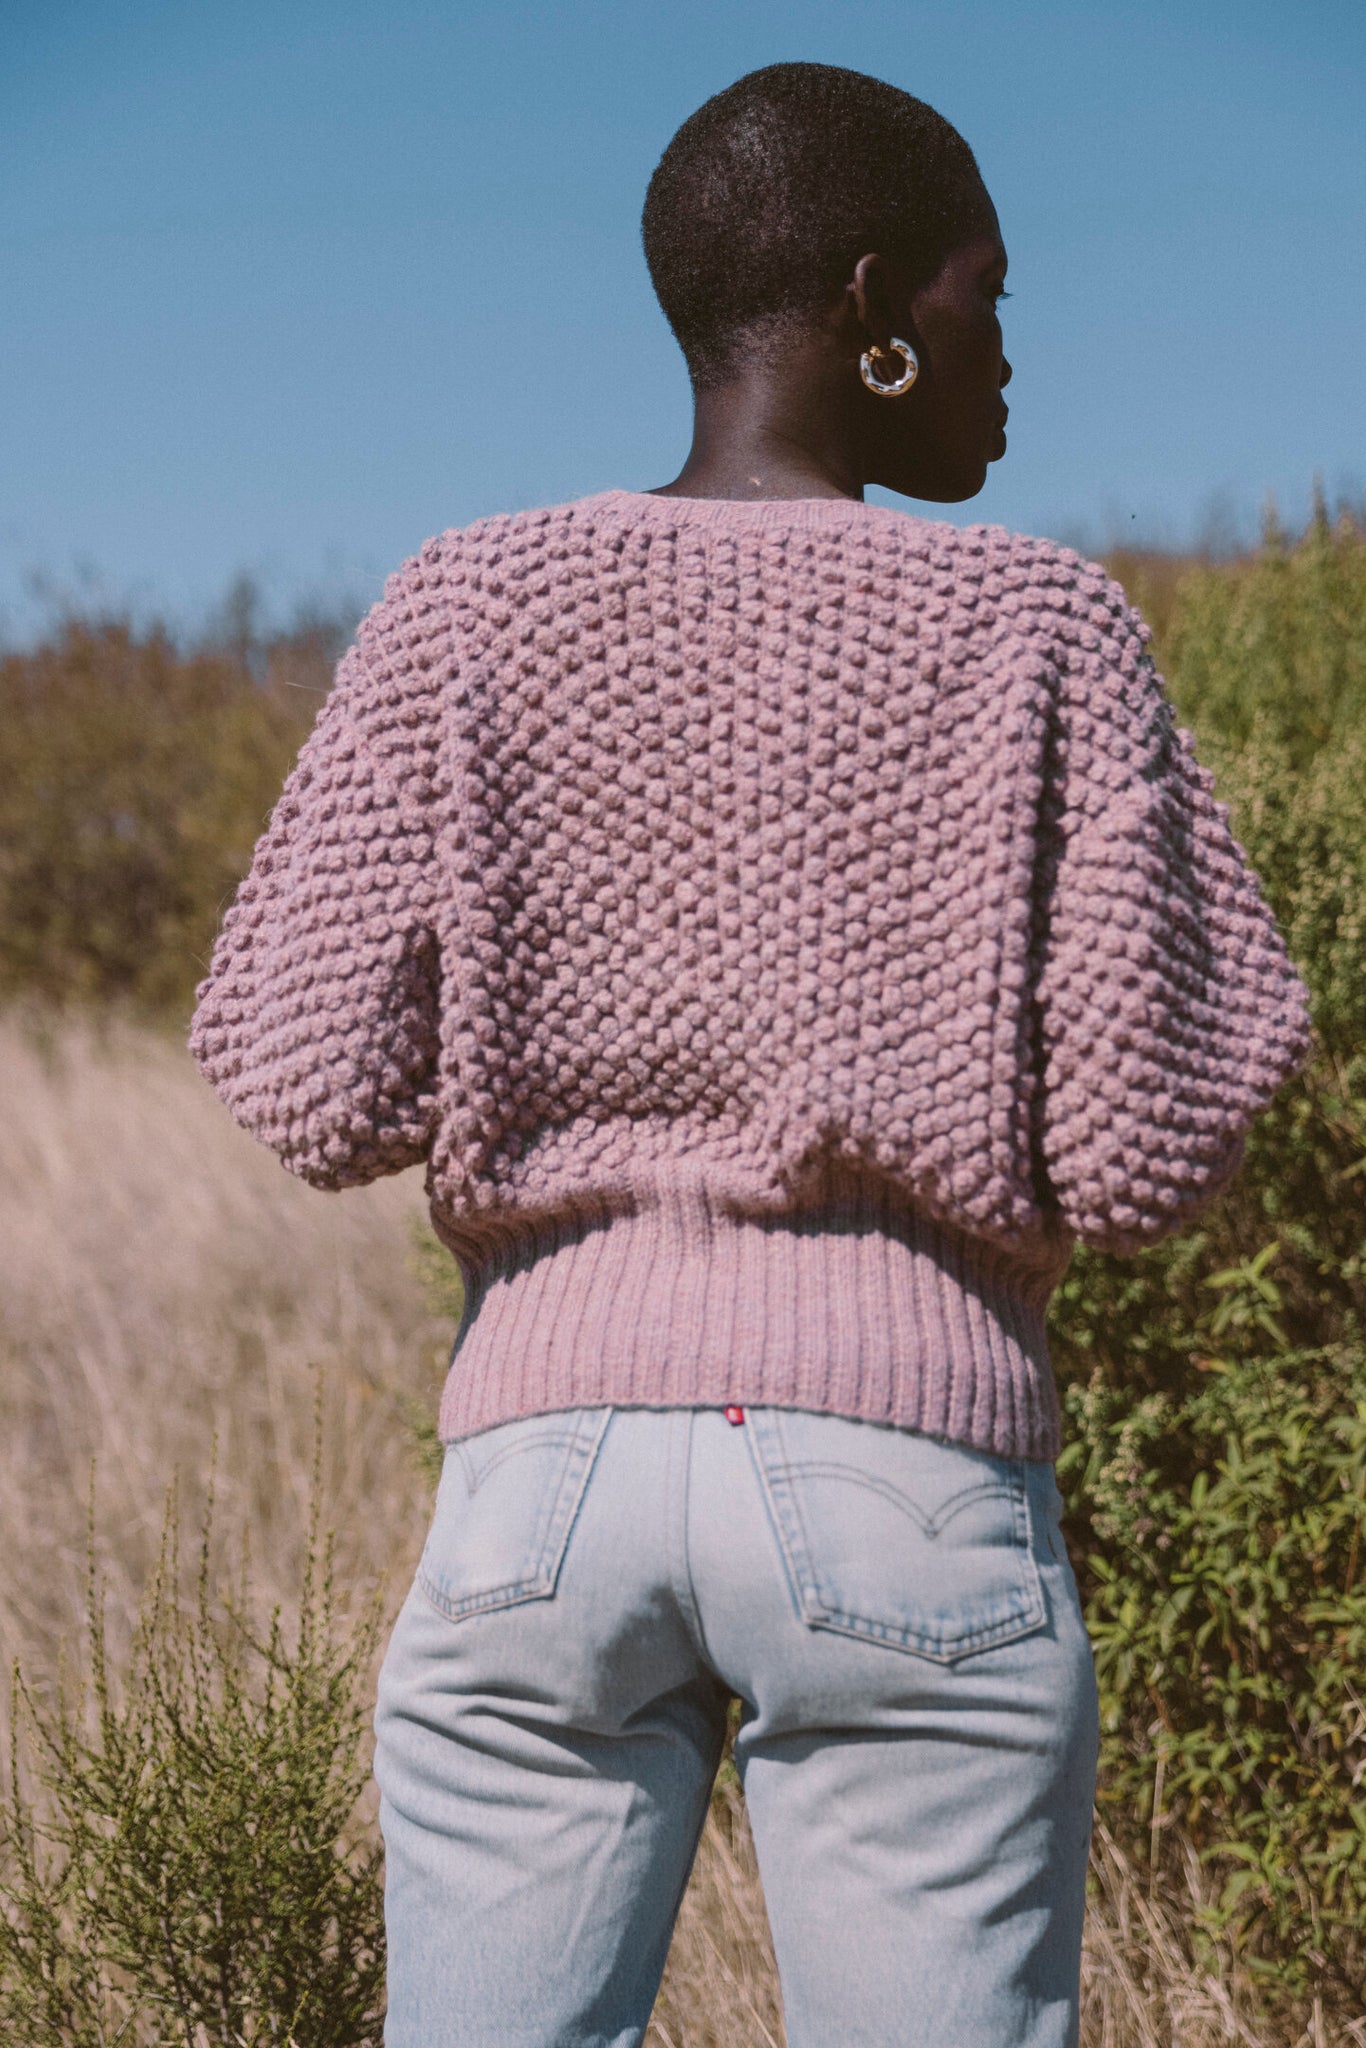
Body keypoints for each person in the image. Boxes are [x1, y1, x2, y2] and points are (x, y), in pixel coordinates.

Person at [189, 61, 1311, 2048]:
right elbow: (1147, 1148)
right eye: (984, 297)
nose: (1003, 353)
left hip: (540, 1490)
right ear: (873, 306)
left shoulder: (466, 603)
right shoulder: (1041, 628)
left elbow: (299, 1070)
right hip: (905, 1474)